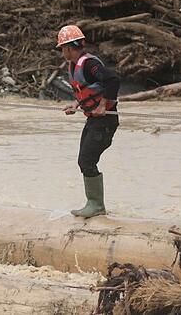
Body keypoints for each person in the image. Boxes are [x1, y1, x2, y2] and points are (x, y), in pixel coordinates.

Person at [56, 24, 120, 218]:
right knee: (83, 160)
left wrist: (102, 105)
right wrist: (76, 105)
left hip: (105, 122)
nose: (62, 52)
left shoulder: (90, 65)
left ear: (68, 48)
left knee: (87, 160)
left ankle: (96, 206)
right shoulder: (75, 65)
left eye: (62, 49)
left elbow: (113, 80)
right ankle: (94, 204)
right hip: (93, 121)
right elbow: (85, 90)